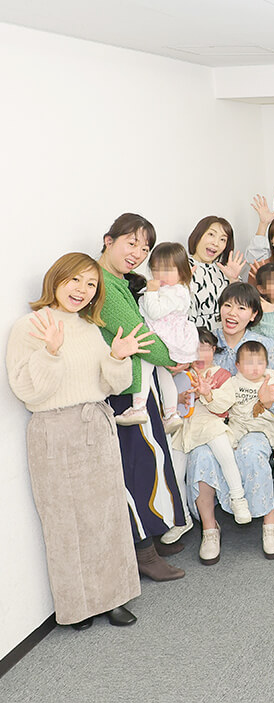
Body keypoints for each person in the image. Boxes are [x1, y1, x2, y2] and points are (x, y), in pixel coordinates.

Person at [7, 252, 147, 628]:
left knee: (108, 516)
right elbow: (28, 391)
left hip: (96, 426)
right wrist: (50, 352)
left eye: (91, 284)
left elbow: (110, 384)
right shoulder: (30, 326)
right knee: (64, 523)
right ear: (57, 278)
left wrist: (117, 357)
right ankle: (78, 606)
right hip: (53, 431)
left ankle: (114, 598)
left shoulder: (89, 326)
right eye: (75, 280)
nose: (82, 290)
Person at [96, 213, 187, 581]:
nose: (137, 253)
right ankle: (143, 551)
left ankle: (153, 537)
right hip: (124, 390)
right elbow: (139, 335)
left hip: (136, 382)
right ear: (109, 240)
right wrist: (174, 358)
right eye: (131, 243)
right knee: (136, 469)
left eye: (144, 248)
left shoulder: (119, 281)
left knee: (150, 462)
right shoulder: (103, 283)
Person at [186, 282, 274, 563]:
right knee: (201, 455)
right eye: (227, 305)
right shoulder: (206, 341)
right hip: (212, 421)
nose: (232, 313)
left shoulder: (264, 345)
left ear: (253, 314)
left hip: (254, 419)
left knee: (251, 451)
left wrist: (264, 402)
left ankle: (270, 521)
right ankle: (209, 529)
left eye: (241, 308)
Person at [173, 329, 251, 546]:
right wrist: (180, 398)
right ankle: (182, 518)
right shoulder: (181, 375)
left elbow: (223, 406)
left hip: (210, 423)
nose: (200, 355)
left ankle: (238, 498)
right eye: (194, 350)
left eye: (205, 349)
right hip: (184, 429)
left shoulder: (221, 375)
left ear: (214, 350)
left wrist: (207, 394)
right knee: (175, 473)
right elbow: (169, 405)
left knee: (225, 454)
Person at [119, 242, 197, 433]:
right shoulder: (174, 289)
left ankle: (139, 407)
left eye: (167, 270)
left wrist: (151, 291)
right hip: (168, 338)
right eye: (155, 269)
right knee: (164, 376)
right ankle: (171, 414)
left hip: (163, 337)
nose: (160, 275)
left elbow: (154, 312)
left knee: (143, 367)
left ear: (182, 272)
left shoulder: (176, 291)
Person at [199, 341, 274, 471]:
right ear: (238, 366)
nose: (255, 368)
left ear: (266, 364)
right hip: (238, 420)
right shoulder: (233, 382)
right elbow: (224, 398)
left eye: (260, 363)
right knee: (229, 438)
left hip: (262, 418)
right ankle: (231, 462)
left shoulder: (270, 380)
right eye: (249, 363)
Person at [187, 215, 244, 334]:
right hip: (192, 338)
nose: (216, 243)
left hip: (224, 338)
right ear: (198, 235)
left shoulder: (225, 271)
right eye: (211, 234)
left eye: (223, 239)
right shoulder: (180, 266)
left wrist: (233, 280)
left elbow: (243, 309)